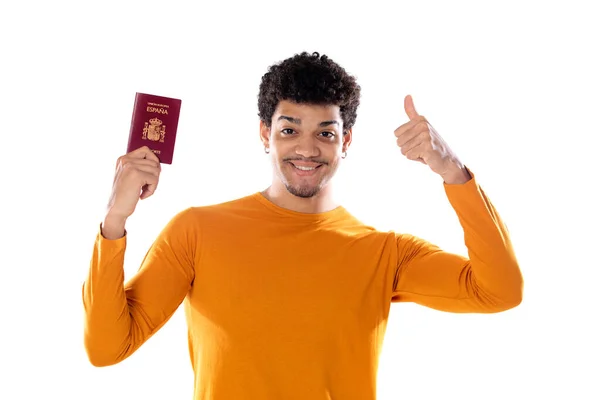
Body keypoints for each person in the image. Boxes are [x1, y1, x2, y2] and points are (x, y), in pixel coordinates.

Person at [82, 51, 523, 399]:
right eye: (289, 130)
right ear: (264, 133)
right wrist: (114, 221)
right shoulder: (197, 232)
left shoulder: (383, 253)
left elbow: (499, 290)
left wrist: (453, 172)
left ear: (345, 140)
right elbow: (106, 348)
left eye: (325, 133)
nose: (306, 149)